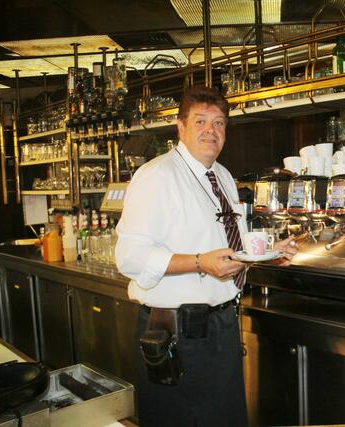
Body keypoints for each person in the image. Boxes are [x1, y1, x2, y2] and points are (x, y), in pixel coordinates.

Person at [115, 85, 298, 426]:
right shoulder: (157, 176)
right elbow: (129, 256)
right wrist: (200, 263)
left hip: (221, 324)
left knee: (225, 419)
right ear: (180, 127)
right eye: (200, 121)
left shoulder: (223, 176)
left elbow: (231, 246)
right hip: (177, 331)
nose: (210, 131)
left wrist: (268, 255)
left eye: (219, 123)